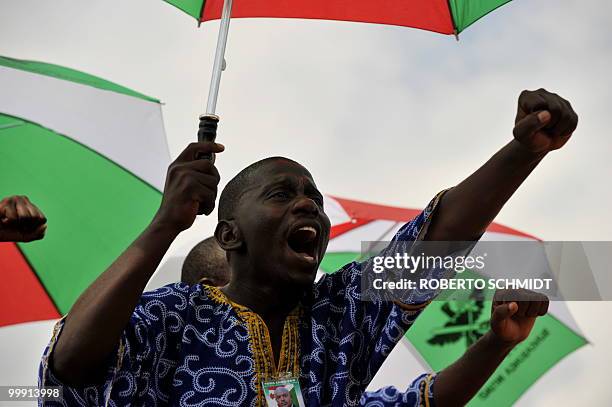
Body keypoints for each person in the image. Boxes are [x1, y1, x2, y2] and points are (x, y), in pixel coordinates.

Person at [39, 89, 578, 406]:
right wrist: (164, 224)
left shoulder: (335, 316)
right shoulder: (174, 317)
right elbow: (70, 367)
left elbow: (432, 244)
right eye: (282, 194)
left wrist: (523, 151)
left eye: (314, 199)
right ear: (230, 235)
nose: (309, 208)